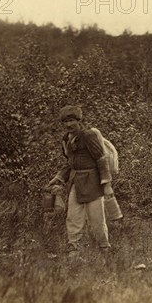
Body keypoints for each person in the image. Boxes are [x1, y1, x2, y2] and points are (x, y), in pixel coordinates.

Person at [47, 105, 113, 253]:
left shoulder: (88, 135)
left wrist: (107, 185)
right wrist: (58, 178)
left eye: (71, 120)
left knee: (97, 219)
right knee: (73, 216)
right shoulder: (65, 139)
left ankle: (104, 248)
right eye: (65, 121)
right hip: (76, 183)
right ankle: (74, 247)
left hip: (93, 183)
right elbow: (71, 164)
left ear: (78, 120)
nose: (69, 124)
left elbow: (102, 159)